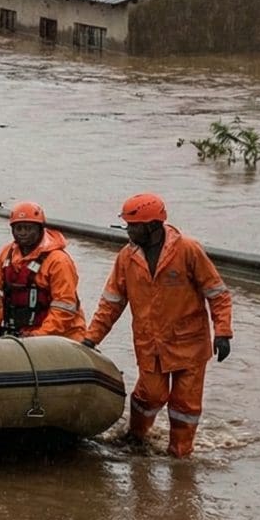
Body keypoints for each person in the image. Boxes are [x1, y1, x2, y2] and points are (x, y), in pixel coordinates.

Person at [82, 193, 234, 458]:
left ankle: (180, 455)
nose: (129, 231)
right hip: (150, 345)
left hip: (190, 345)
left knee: (185, 406)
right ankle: (136, 438)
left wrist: (223, 332)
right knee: (149, 396)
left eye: (134, 226)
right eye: (128, 225)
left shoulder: (188, 250)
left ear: (152, 226)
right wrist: (90, 339)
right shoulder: (126, 258)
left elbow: (217, 293)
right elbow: (111, 303)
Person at [0, 202, 86, 339]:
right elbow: (2, 300)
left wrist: (38, 335)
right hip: (23, 335)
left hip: (62, 337)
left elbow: (64, 309)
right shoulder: (6, 255)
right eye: (18, 228)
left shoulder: (58, 261)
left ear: (40, 229)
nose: (23, 233)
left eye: (28, 228)